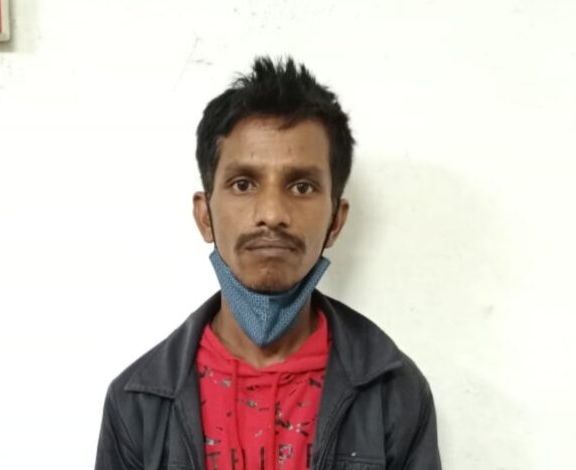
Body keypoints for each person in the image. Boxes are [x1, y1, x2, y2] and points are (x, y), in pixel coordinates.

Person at [95, 57, 441, 470]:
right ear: (205, 216)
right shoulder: (137, 404)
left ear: (336, 220)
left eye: (302, 186)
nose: (272, 213)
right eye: (243, 184)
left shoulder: (394, 392)